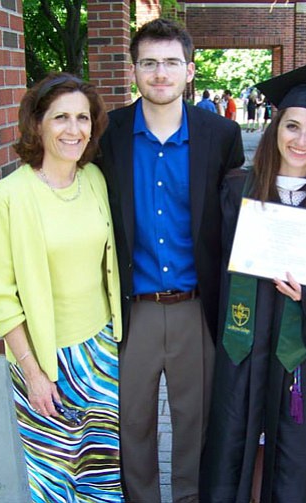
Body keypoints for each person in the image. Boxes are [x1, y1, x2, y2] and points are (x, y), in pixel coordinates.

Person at [97, 18, 245, 503]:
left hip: (194, 309)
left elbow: (234, 218)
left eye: (171, 63)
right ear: (134, 69)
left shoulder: (221, 135)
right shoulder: (108, 134)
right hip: (130, 310)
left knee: (195, 427)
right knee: (131, 427)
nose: (160, 73)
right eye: (149, 63)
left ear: (190, 69)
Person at [200, 63, 306, 503]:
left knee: (292, 454)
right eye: (292, 126)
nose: (301, 140)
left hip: (303, 352)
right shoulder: (236, 190)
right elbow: (215, 272)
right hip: (243, 345)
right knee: (236, 441)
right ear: (274, 128)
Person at [0, 73, 123, 502]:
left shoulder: (95, 180)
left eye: (83, 118)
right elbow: (2, 299)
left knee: (101, 475)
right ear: (37, 123)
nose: (74, 129)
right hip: (46, 361)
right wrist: (34, 374)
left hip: (100, 352)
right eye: (61, 117)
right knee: (55, 481)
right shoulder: (8, 195)